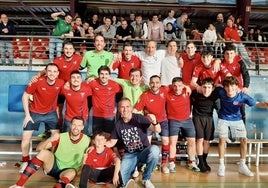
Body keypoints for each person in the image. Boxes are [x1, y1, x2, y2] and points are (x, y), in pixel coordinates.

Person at [10, 116, 90, 188]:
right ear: (70, 125)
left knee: (71, 173)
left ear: (82, 127)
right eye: (74, 124)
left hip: (68, 171)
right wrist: (50, 139)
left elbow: (100, 145)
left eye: (79, 125)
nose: (76, 128)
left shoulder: (88, 140)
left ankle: (61, 184)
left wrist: (93, 146)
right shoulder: (61, 136)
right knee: (43, 153)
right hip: (53, 166)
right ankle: (19, 185)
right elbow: (38, 148)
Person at [216, 76, 268, 177]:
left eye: (232, 86)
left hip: (237, 119)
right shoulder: (221, 92)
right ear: (224, 87)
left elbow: (258, 104)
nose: (229, 89)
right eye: (227, 86)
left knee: (244, 140)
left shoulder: (242, 96)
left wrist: (266, 104)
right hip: (223, 118)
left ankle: (242, 165)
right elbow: (212, 87)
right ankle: (221, 165)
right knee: (222, 140)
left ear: (236, 87)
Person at [19, 63, 65, 173]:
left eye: (54, 71)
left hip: (51, 113)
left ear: (58, 73)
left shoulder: (61, 83)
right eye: (49, 71)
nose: (52, 73)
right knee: (25, 138)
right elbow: (24, 97)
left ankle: (51, 162)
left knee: (56, 137)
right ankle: (25, 161)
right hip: (35, 112)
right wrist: (27, 115)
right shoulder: (37, 81)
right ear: (46, 72)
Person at [106, 97, 161, 188]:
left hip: (144, 152)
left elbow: (157, 130)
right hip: (130, 155)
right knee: (122, 181)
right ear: (119, 109)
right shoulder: (118, 125)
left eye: (127, 106)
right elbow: (111, 142)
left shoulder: (139, 118)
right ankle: (132, 170)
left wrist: (155, 121)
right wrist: (97, 145)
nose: (125, 109)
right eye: (122, 107)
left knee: (155, 150)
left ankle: (146, 179)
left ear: (131, 108)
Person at [134, 75, 170, 174]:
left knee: (165, 140)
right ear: (149, 84)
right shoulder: (145, 95)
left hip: (163, 121)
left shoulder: (165, 90)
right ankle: (148, 162)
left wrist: (187, 86)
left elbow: (178, 85)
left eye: (157, 82)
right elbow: (136, 109)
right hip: (149, 122)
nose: (155, 85)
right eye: (152, 83)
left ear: (160, 83)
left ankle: (163, 164)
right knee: (147, 143)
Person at [166, 77, 200, 173]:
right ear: (172, 86)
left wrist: (186, 86)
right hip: (173, 120)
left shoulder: (187, 91)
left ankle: (191, 162)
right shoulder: (167, 93)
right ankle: (171, 163)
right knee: (173, 142)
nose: (177, 88)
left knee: (192, 141)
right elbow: (161, 87)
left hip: (187, 120)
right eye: (175, 86)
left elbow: (195, 85)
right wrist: (182, 85)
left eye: (180, 86)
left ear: (183, 86)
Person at [190, 78, 219, 172]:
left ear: (213, 88)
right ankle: (201, 162)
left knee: (207, 141)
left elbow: (219, 110)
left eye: (209, 87)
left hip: (209, 119)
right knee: (200, 140)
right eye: (204, 87)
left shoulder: (215, 96)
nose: (206, 90)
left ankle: (204, 161)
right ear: (201, 87)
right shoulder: (195, 93)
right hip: (197, 118)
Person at [87, 66, 121, 139]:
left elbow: (125, 86)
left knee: (108, 137)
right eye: (102, 74)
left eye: (106, 74)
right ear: (98, 75)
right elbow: (83, 87)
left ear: (109, 75)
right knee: (96, 137)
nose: (104, 76)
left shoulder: (114, 85)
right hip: (96, 115)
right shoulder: (93, 83)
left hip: (109, 116)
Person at [61, 70, 92, 135]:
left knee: (84, 137)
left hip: (83, 118)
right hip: (69, 118)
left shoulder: (87, 88)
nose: (76, 79)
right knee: (66, 137)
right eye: (73, 77)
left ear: (81, 80)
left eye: (78, 77)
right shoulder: (65, 89)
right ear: (70, 80)